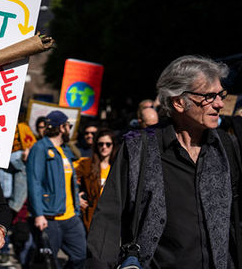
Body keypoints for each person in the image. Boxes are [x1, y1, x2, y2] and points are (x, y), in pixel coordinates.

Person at [86, 55, 241, 268]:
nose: (220, 104)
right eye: (209, 96)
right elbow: (108, 218)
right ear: (178, 102)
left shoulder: (227, 146)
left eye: (220, 94)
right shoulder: (138, 148)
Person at [27, 110, 86, 269]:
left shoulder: (65, 150)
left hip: (71, 216)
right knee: (47, 263)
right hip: (50, 217)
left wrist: (75, 198)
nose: (70, 129)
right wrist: (39, 214)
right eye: (68, 126)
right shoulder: (40, 148)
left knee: (81, 256)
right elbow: (34, 182)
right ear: (61, 127)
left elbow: (68, 182)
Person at [74, 128, 117, 231]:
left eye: (108, 144)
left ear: (113, 146)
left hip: (111, 217)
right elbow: (67, 178)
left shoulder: (118, 167)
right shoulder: (87, 164)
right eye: (100, 144)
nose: (104, 147)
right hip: (91, 217)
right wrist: (76, 197)